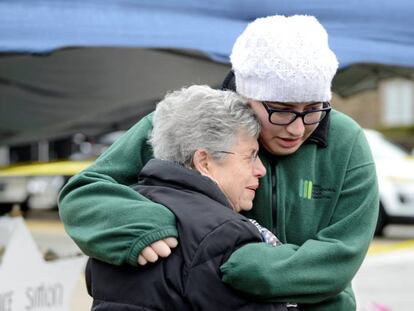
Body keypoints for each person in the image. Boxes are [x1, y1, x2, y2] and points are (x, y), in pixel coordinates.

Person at [59, 15, 379, 311]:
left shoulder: (346, 141)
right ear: (244, 94)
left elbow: (341, 254)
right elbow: (85, 192)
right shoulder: (189, 120)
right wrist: (143, 224)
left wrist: (236, 265)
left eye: (313, 108)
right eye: (281, 109)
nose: (297, 127)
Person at [85, 85, 291, 310]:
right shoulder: (227, 235)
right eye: (250, 156)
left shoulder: (118, 220)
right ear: (204, 162)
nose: (260, 169)